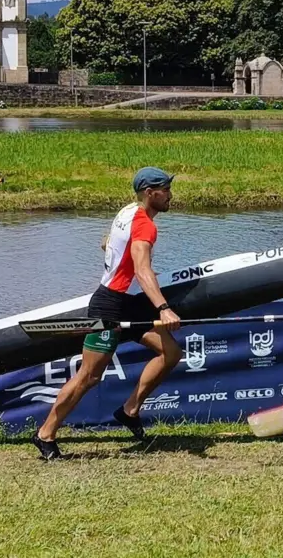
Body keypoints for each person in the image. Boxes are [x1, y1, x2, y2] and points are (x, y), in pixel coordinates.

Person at [32, 167, 183, 460]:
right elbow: (142, 270)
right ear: (150, 193)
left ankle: (129, 410)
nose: (170, 195)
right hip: (109, 305)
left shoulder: (128, 211)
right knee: (89, 376)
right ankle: (45, 434)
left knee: (170, 353)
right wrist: (164, 308)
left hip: (127, 303)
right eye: (165, 189)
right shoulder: (145, 226)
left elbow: (107, 242)